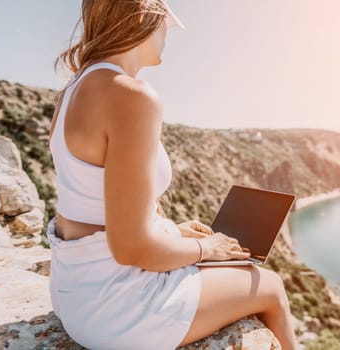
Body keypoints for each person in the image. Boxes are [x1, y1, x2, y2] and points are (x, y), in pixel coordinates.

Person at [47, 0, 296, 349]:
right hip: (116, 309)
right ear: (147, 18)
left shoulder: (73, 90)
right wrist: (203, 248)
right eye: (168, 21)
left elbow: (89, 208)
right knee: (269, 285)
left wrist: (171, 233)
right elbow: (132, 249)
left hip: (74, 291)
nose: (168, 33)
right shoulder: (131, 96)